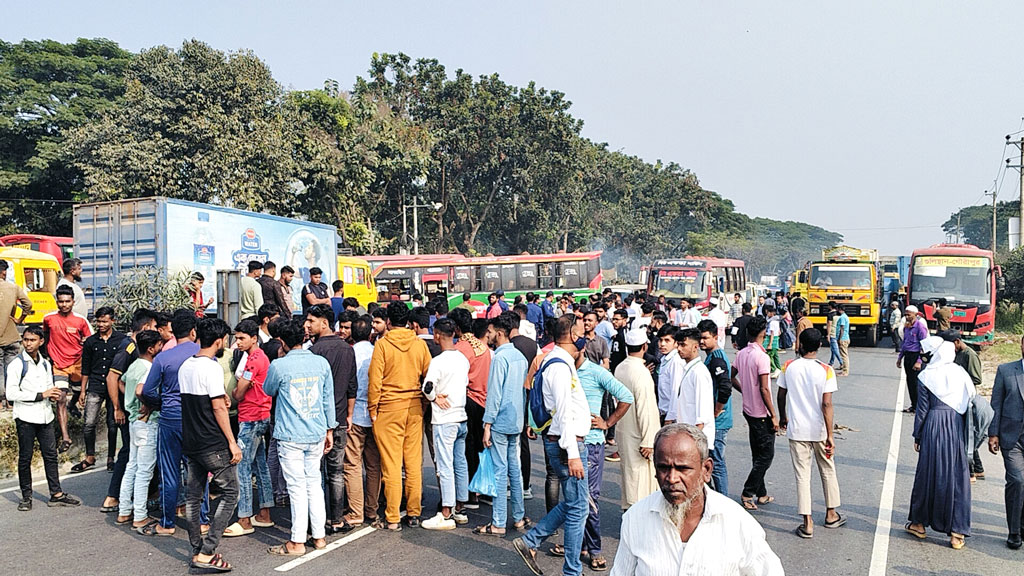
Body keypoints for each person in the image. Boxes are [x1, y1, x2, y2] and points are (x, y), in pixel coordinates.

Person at [609, 423, 784, 575]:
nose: (671, 478)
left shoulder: (737, 523)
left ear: (706, 470)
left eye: (682, 469)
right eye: (663, 468)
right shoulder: (635, 519)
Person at [513, 314, 592, 576]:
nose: (586, 334)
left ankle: (530, 541)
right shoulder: (559, 365)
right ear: (571, 335)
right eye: (582, 330)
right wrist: (573, 454)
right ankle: (571, 570)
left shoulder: (559, 360)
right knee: (578, 507)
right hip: (566, 444)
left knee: (573, 503)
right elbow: (563, 414)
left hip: (564, 442)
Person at [264, 319, 337, 555]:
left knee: (296, 486)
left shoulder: (279, 365)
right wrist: (330, 430)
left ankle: (296, 540)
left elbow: (268, 390)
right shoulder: (320, 363)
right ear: (304, 337)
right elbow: (328, 398)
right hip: (316, 430)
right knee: (314, 483)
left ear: (282, 342)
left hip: (290, 434)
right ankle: (319, 536)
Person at [177, 318, 240, 571]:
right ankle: (208, 550)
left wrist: (220, 398)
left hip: (191, 440)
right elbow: (217, 407)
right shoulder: (212, 367)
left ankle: (197, 549)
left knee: (193, 496)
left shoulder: (186, 365)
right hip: (212, 441)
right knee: (231, 492)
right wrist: (232, 443)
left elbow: (204, 400)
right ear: (219, 341)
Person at [140, 309, 207, 537]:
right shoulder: (203, 354)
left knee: (169, 472)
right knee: (198, 470)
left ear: (173, 332)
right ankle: (203, 520)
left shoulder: (163, 358)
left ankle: (167, 523)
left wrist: (160, 403)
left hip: (170, 417)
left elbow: (148, 390)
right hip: (197, 418)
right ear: (192, 331)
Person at [907, 336, 975, 550]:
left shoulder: (926, 375)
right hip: (956, 425)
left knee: (928, 474)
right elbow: (971, 399)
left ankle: (918, 524)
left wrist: (917, 435)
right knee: (957, 477)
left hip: (933, 426)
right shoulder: (960, 373)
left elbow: (922, 409)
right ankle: (956, 533)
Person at [368, 302, 432, 530]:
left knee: (391, 465)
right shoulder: (418, 344)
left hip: (388, 408)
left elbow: (375, 382)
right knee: (414, 462)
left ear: (387, 322)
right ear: (407, 320)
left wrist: (372, 410)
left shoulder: (383, 345)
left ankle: (393, 517)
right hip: (414, 407)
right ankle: (414, 513)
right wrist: (423, 403)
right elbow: (429, 378)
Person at [777, 328, 844, 538]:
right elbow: (827, 403)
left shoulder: (788, 366)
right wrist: (831, 435)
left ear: (801, 345)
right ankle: (831, 513)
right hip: (820, 430)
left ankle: (807, 522)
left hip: (797, 429)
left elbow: (781, 395)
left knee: (802, 475)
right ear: (820, 346)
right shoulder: (826, 370)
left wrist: (783, 417)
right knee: (828, 469)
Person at [7, 325, 82, 511]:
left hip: (45, 416)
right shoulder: (17, 364)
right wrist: (42, 394)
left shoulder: (45, 363)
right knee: (25, 457)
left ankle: (56, 494)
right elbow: (11, 393)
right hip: (25, 416)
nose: (28, 343)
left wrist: (54, 394)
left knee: (51, 456)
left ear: (41, 342)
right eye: (25, 340)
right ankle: (26, 497)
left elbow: (50, 386)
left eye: (32, 340)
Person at [476, 312, 530, 536]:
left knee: (499, 471)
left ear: (500, 333)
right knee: (514, 470)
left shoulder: (499, 357)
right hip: (516, 419)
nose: (488, 336)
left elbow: (495, 394)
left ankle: (498, 522)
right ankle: (518, 517)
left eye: (490, 332)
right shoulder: (520, 357)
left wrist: (487, 424)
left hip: (499, 420)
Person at [579, 352, 633, 571]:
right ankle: (580, 544)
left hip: (591, 444)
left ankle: (594, 549)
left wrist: (608, 422)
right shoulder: (562, 368)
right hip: (570, 443)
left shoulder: (595, 372)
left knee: (590, 499)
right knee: (577, 499)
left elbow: (626, 396)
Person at [306, 304, 358, 533]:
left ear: (324, 323)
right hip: (338, 418)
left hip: (316, 420)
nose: (307, 325)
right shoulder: (347, 349)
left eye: (311, 321)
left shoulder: (313, 351)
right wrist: (348, 415)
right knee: (336, 472)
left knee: (314, 473)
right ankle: (336, 519)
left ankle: (315, 523)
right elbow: (352, 386)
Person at [223, 319, 275, 538]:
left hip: (251, 416)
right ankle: (264, 512)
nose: (238, 341)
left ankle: (244, 518)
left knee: (242, 466)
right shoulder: (260, 358)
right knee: (259, 465)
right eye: (237, 337)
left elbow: (239, 392)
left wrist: (235, 394)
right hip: (261, 415)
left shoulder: (253, 360)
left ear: (254, 338)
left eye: (242, 337)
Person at [102, 308, 157, 513]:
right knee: (129, 454)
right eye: (152, 327)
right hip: (128, 411)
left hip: (131, 407)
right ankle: (113, 496)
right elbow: (112, 377)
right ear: (144, 328)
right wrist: (118, 407)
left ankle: (134, 498)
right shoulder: (129, 347)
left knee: (134, 455)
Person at [420, 318, 471, 530]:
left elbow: (428, 387)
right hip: (461, 416)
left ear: (437, 335)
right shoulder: (462, 359)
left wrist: (433, 398)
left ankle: (446, 512)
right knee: (460, 462)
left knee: (444, 465)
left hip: (444, 419)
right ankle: (460, 506)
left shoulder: (438, 361)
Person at [115, 329, 163, 528]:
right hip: (147, 421)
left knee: (132, 467)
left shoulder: (135, 364)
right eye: (159, 345)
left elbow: (121, 381)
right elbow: (142, 390)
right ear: (151, 349)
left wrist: (132, 401)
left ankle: (124, 510)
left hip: (134, 420)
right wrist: (148, 405)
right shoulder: (149, 368)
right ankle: (140, 515)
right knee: (144, 471)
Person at [73, 306, 127, 474]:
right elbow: (85, 368)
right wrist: (82, 391)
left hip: (114, 387)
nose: (101, 324)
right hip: (95, 385)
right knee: (89, 423)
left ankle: (111, 457)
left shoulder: (121, 340)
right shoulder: (90, 342)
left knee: (112, 424)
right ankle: (90, 456)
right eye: (98, 321)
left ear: (113, 321)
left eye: (104, 321)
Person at [733, 316, 778, 512]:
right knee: (766, 455)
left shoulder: (742, 353)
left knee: (757, 453)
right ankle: (748, 491)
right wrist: (774, 414)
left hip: (748, 409)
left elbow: (730, 376)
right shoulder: (762, 357)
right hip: (761, 412)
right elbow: (765, 389)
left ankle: (762, 493)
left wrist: (744, 390)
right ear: (763, 333)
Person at [342, 315, 383, 530]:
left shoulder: (350, 354)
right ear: (370, 333)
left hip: (354, 414)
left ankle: (356, 512)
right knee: (374, 465)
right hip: (375, 414)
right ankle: (371, 509)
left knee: (352, 464)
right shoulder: (378, 352)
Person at [614, 328, 661, 509]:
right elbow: (646, 409)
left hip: (624, 429)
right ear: (645, 346)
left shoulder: (621, 368)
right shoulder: (640, 373)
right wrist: (649, 440)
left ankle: (630, 511)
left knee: (629, 475)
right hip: (639, 434)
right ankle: (637, 517)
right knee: (641, 480)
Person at [450, 306, 492, 508]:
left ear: (456, 328)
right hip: (484, 401)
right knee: (480, 447)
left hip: (468, 400)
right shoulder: (483, 347)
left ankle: (470, 492)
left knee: (466, 448)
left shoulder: (459, 350)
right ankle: (483, 490)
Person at [42, 285, 92, 453]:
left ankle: (73, 404)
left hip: (77, 363)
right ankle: (65, 437)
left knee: (78, 393)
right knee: (60, 398)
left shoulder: (81, 321)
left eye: (67, 301)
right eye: (61, 301)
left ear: (73, 301)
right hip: (59, 365)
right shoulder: (48, 319)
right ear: (57, 301)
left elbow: (90, 341)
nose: (64, 305)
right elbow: (45, 336)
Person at [942, 329, 993, 482]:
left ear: (957, 342)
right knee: (967, 435)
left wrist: (959, 377)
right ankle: (977, 469)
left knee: (968, 436)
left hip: (968, 399)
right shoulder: (956, 354)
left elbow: (977, 379)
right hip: (958, 398)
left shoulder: (969, 355)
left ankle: (970, 472)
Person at [989, 334, 1024, 549]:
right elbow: (996, 404)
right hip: (1012, 439)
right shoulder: (1006, 370)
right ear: (1021, 345)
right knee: (1018, 481)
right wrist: (993, 434)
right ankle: (1014, 531)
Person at [665, 328, 715, 454]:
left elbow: (702, 414)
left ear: (695, 347)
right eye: (678, 345)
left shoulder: (699, 373)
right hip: (687, 436)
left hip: (696, 440)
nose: (679, 349)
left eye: (683, 345)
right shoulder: (687, 369)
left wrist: (694, 443)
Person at [697, 319, 733, 495]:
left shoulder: (717, 359)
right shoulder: (712, 357)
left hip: (719, 420)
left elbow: (726, 387)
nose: (702, 341)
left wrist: (716, 411)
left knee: (717, 463)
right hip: (715, 418)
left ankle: (723, 500)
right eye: (700, 338)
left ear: (715, 337)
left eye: (705, 338)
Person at [898, 305, 929, 413]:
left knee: (917, 383)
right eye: (905, 314)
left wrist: (919, 361)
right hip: (908, 356)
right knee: (910, 382)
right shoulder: (906, 327)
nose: (907, 316)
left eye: (909, 314)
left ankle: (919, 407)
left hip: (916, 356)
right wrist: (900, 357)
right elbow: (904, 343)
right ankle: (913, 405)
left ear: (915, 315)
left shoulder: (920, 327)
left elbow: (924, 346)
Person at [763, 305, 782, 378]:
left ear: (771, 313)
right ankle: (779, 368)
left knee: (769, 356)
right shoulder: (776, 320)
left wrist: (770, 344)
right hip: (776, 339)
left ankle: (774, 369)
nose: (766, 313)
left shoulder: (771, 322)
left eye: (767, 312)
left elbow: (772, 333)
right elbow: (779, 331)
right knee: (775, 356)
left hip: (771, 340)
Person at [835, 306, 850, 377]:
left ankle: (845, 371)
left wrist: (839, 338)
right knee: (844, 355)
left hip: (843, 338)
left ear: (840, 309)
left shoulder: (842, 318)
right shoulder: (845, 316)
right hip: (845, 338)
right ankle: (844, 370)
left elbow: (842, 328)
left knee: (844, 356)